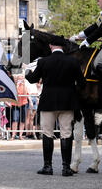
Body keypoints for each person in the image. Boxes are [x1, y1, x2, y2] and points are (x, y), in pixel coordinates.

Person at [25, 35, 86, 177]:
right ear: (63, 47)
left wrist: (28, 72)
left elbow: (33, 79)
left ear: (51, 46)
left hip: (48, 102)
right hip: (67, 102)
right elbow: (82, 83)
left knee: (47, 133)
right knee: (66, 134)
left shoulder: (43, 62)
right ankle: (66, 168)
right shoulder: (73, 61)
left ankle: (48, 166)